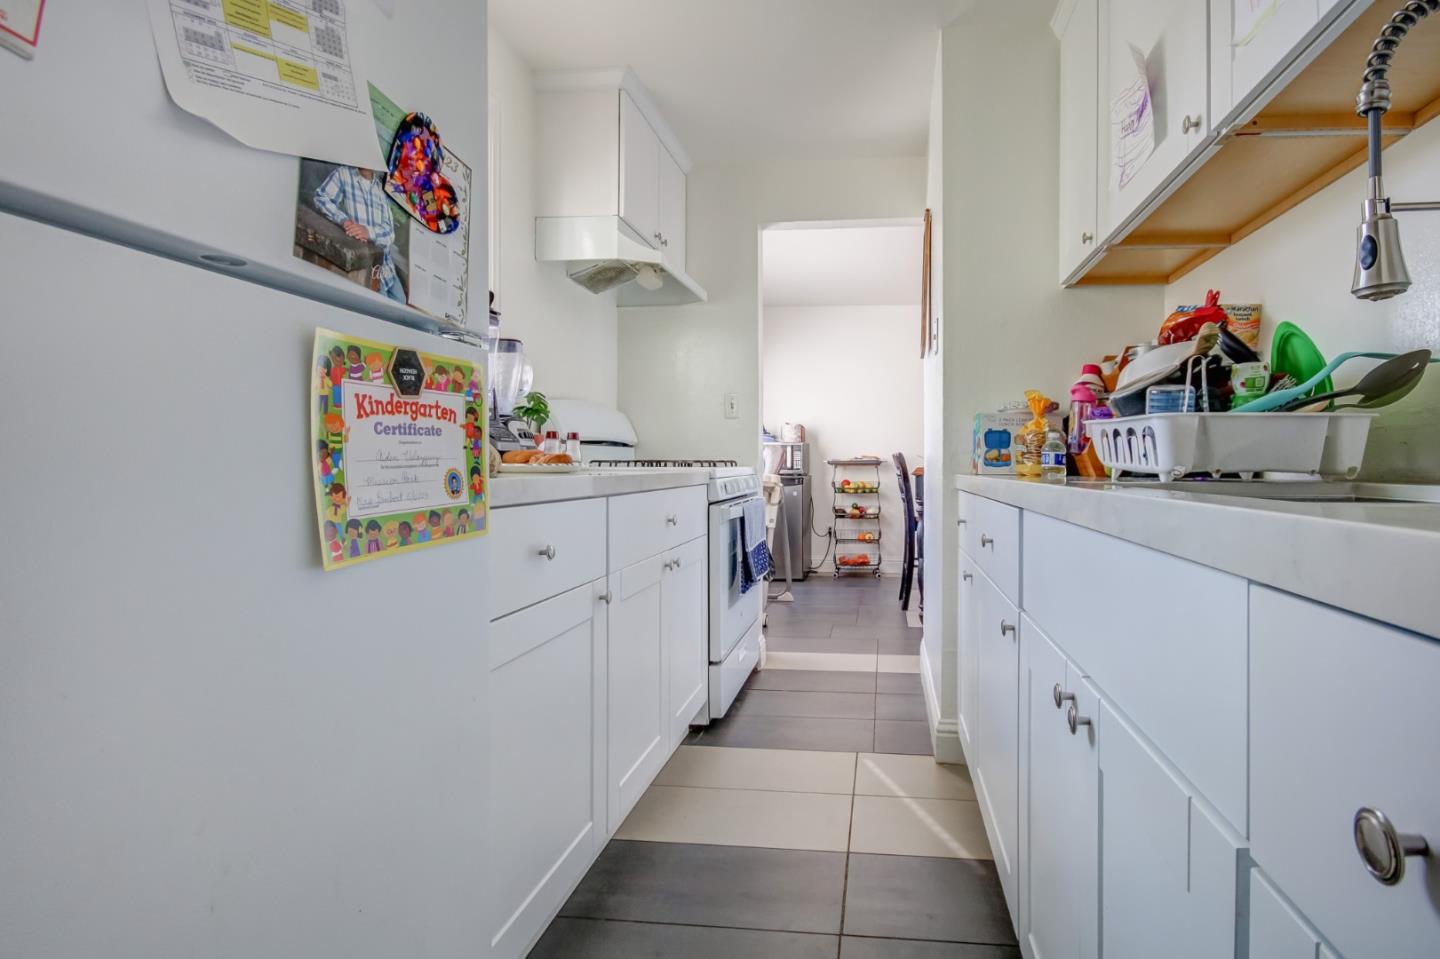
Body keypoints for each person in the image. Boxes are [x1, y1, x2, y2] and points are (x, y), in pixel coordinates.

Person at [313, 166, 407, 304]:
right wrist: (344, 220)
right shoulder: (343, 174)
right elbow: (321, 197)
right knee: (381, 313)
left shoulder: (382, 186)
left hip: (388, 268)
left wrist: (368, 232)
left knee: (402, 304)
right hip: (367, 269)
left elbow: (389, 233)